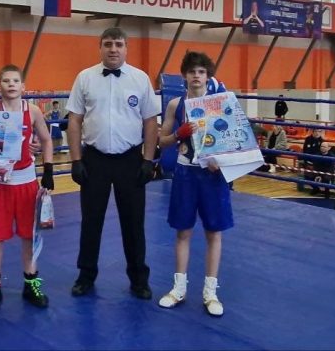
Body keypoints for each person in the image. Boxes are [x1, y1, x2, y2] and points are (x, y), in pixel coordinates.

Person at [66, 27, 160, 300]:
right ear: (100, 47)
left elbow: (150, 121)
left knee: (134, 222)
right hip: (94, 159)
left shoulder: (140, 79)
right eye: (108, 44)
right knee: (90, 221)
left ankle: (139, 279)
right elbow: (74, 120)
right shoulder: (85, 77)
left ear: (126, 48)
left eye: (118, 44)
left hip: (130, 159)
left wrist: (148, 159)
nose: (113, 49)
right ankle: (85, 276)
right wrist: (76, 159)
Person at [156, 51, 230, 316]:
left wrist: (220, 160)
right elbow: (162, 141)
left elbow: (232, 138)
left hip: (212, 175)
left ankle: (210, 293)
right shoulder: (176, 105)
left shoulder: (219, 103)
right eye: (192, 71)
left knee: (214, 232)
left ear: (208, 76)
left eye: (201, 72)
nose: (196, 76)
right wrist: (179, 134)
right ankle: (179, 289)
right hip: (186, 172)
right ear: (184, 75)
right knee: (183, 231)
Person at [0, 65, 55, 313]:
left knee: (29, 235)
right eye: (6, 80)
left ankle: (31, 283)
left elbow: (46, 140)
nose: (11, 84)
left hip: (27, 182)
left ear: (23, 86)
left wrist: (49, 169)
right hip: (1, 184)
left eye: (15, 81)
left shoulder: (32, 111)